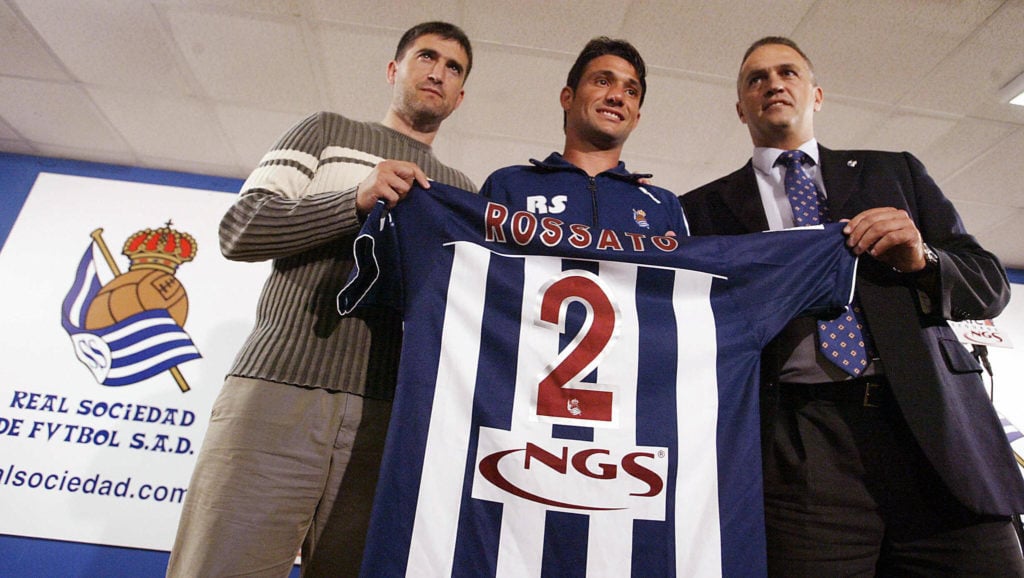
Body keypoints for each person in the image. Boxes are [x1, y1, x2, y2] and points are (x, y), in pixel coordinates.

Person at [682, 36, 1024, 576]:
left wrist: (924, 259)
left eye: (788, 72)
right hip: (798, 448)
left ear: (816, 94)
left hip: (932, 431)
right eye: (756, 78)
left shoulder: (896, 173)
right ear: (740, 107)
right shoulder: (699, 211)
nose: (773, 83)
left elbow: (989, 286)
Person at [166, 21, 475, 577]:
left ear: (460, 95)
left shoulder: (460, 190)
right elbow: (240, 230)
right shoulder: (325, 131)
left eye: (454, 68)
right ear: (393, 70)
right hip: (275, 391)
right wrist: (353, 202)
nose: (438, 72)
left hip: (388, 416)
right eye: (426, 56)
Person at [481, 36, 687, 237]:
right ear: (567, 98)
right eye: (603, 81)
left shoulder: (663, 206)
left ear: (636, 119)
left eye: (631, 91)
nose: (617, 97)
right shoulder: (508, 185)